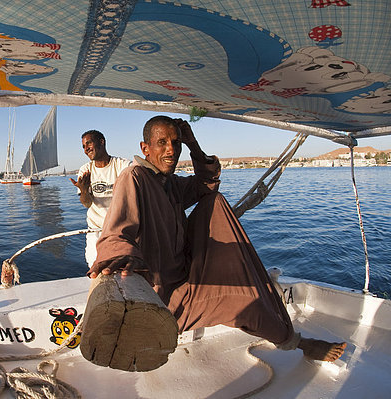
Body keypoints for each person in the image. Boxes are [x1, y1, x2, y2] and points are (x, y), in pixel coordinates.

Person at [89, 115, 346, 362]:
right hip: (168, 297)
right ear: (145, 148)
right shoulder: (134, 178)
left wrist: (193, 143)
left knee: (215, 201)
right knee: (250, 300)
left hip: (188, 272)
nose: (171, 150)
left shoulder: (169, 183)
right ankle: (298, 344)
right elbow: (117, 230)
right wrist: (120, 256)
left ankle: (240, 283)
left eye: (175, 143)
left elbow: (207, 183)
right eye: (162, 143)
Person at [70, 130, 131, 266]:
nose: (86, 149)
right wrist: (84, 190)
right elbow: (86, 204)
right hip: (96, 230)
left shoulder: (123, 165)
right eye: (83, 147)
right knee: (94, 267)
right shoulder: (85, 170)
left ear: (102, 142)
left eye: (89, 143)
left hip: (121, 231)